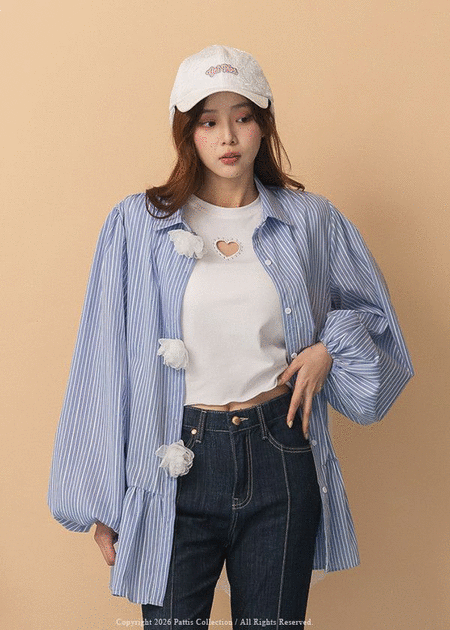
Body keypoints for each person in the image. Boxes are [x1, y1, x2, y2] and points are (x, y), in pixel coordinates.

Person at [47, 45, 414, 627]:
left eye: (243, 117)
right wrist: (98, 497)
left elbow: (377, 319)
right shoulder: (137, 225)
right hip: (174, 462)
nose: (228, 138)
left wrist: (329, 349)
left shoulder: (309, 221)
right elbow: (102, 358)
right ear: (186, 133)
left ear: (263, 125)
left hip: (279, 453)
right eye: (208, 122)